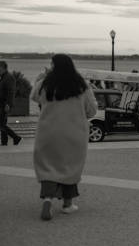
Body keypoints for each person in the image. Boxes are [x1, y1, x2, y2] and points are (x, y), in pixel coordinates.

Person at [30, 54, 97, 220]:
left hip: (48, 133)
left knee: (48, 167)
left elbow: (34, 96)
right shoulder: (82, 86)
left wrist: (42, 76)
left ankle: (47, 199)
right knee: (70, 167)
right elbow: (92, 110)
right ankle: (68, 204)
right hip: (74, 134)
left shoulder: (45, 84)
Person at [0, 61, 22, 146]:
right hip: (2, 104)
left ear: (2, 68)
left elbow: (11, 92)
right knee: (2, 123)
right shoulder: (3, 77)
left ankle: (16, 137)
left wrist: (8, 104)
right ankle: (4, 142)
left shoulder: (9, 78)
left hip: (4, 104)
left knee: (1, 123)